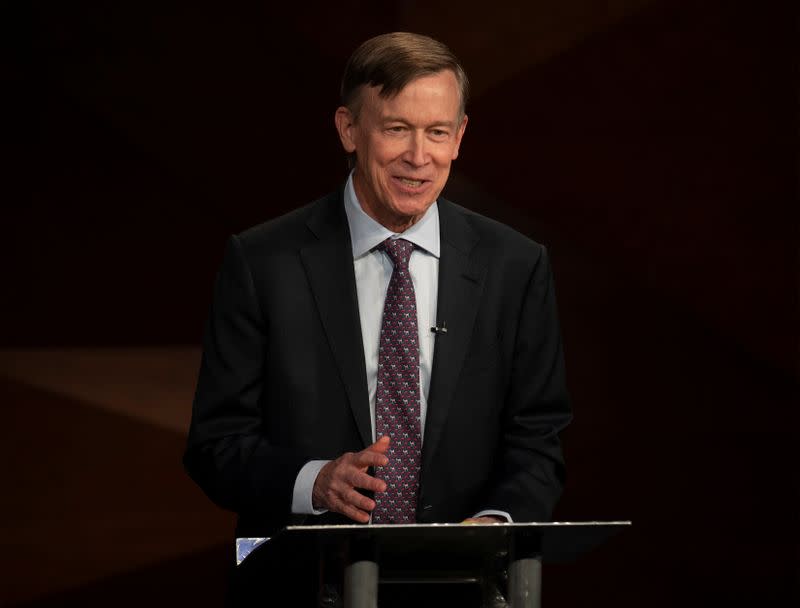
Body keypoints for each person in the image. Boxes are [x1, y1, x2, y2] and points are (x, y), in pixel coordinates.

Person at [184, 31, 572, 602]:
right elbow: (215, 445)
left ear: (459, 137)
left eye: (437, 132)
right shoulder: (263, 261)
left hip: (463, 588)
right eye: (396, 129)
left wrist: (498, 521)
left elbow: (539, 437)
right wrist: (313, 481)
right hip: (299, 585)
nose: (419, 157)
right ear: (348, 129)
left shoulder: (515, 265)